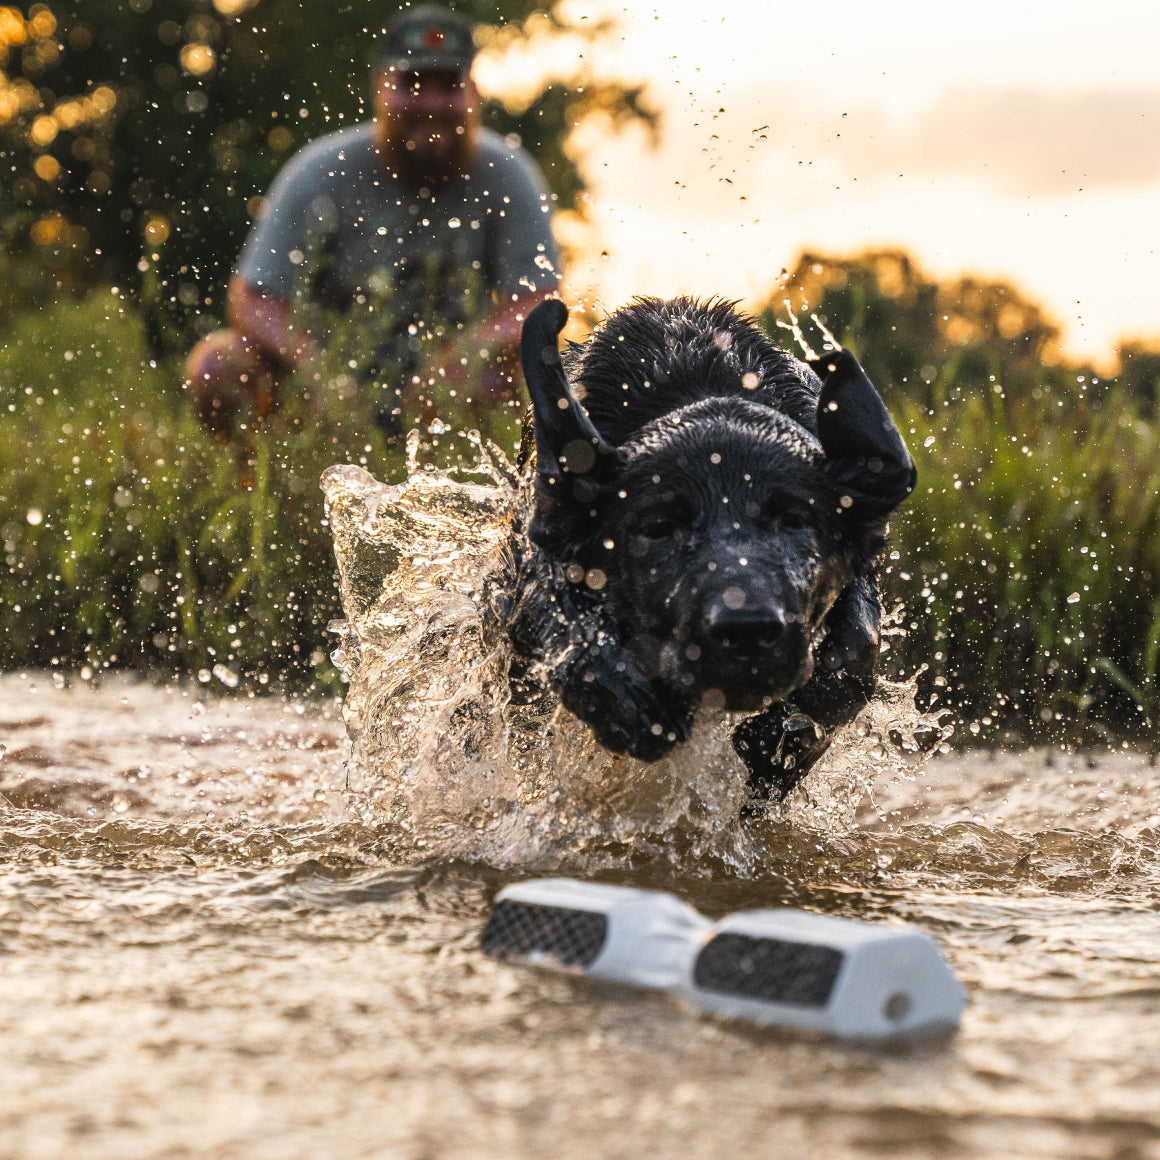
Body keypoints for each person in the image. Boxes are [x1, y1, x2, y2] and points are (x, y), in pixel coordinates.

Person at [185, 4, 562, 439]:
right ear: (381, 88)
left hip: (455, 394)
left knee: (542, 376)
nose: (431, 103)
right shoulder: (321, 170)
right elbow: (251, 298)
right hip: (324, 395)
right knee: (218, 366)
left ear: (474, 94)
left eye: (449, 86)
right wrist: (318, 374)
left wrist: (464, 358)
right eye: (413, 85)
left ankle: (515, 502)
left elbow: (539, 301)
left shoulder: (507, 174)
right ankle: (251, 494)